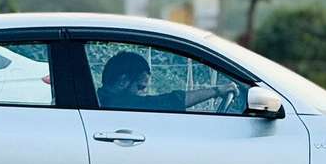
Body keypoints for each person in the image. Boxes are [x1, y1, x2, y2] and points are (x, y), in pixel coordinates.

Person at [98, 51, 237, 112]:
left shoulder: (101, 100)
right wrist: (217, 91)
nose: (143, 93)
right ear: (123, 81)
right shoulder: (117, 104)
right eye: (140, 87)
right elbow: (171, 101)